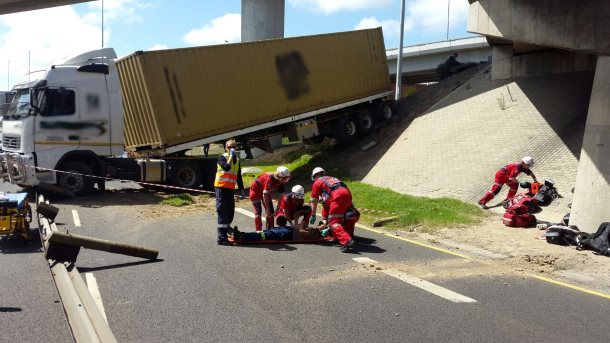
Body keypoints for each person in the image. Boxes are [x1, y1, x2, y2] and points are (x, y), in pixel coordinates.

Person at [308, 167, 356, 252]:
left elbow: (314, 200)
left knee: (334, 222)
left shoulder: (317, 183)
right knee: (346, 216)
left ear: (315, 176)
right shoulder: (332, 179)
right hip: (348, 194)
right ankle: (349, 235)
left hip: (337, 196)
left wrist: (313, 214)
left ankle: (346, 240)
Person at [214, 139, 245, 245]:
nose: (232, 148)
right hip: (221, 188)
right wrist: (231, 156)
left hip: (230, 189)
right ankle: (221, 238)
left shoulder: (238, 160)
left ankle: (227, 229)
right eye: (229, 146)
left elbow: (239, 176)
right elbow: (226, 167)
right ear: (225, 148)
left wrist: (242, 189)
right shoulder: (222, 157)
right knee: (223, 212)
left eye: (234, 146)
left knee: (230, 212)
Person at [249, 166, 291, 231]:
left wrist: (277, 209)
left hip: (265, 192)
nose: (284, 181)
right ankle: (258, 231)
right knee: (258, 213)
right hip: (255, 191)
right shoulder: (269, 178)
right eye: (284, 179)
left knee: (271, 213)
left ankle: (270, 230)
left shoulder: (281, 182)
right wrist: (267, 209)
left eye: (286, 179)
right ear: (278, 175)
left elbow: (281, 196)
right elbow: (265, 195)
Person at [231, 216, 321, 242]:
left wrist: (303, 225)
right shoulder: (313, 229)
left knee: (266, 235)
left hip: (289, 234)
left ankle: (240, 236)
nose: (320, 226)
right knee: (266, 232)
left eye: (322, 226)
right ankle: (240, 234)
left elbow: (302, 231)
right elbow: (303, 223)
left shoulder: (316, 234)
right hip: (287, 229)